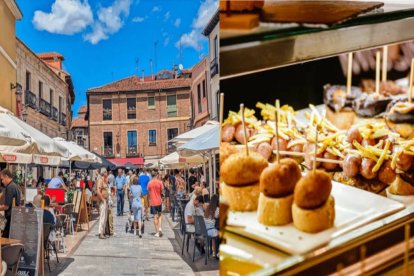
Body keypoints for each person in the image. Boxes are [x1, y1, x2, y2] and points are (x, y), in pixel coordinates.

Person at [0, 169, 21, 238]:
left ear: (6, 176)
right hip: (15, 217)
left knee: (4, 240)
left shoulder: (10, 187)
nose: (2, 182)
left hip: (11, 218)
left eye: (2, 179)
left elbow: (6, 206)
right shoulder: (14, 185)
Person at [147, 172, 164, 237]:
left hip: (153, 202)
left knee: (155, 216)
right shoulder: (160, 182)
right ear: (156, 175)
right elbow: (162, 191)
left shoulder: (149, 183)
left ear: (151, 176)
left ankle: (157, 232)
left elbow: (148, 192)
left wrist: (149, 200)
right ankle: (160, 228)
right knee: (159, 215)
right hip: (159, 201)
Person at [204, 194, 219, 258]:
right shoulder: (217, 209)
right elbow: (218, 216)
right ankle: (218, 252)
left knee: (215, 231)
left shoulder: (207, 207)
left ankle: (213, 251)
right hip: (211, 231)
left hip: (205, 230)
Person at [96, 168, 109, 239]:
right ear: (103, 172)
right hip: (103, 201)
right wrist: (103, 199)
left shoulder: (104, 180)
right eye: (106, 172)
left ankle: (103, 232)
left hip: (106, 200)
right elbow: (98, 191)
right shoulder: (100, 180)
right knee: (102, 217)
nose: (107, 173)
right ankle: (100, 233)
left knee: (105, 217)